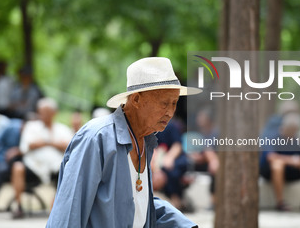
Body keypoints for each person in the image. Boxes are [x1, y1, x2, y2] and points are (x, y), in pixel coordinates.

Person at [47, 57, 200, 228]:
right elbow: (69, 211)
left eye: (174, 103)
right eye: (164, 103)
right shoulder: (97, 138)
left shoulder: (146, 141)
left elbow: (137, 205)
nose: (170, 112)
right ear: (135, 100)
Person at [11, 98, 73, 218]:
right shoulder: (31, 126)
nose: (43, 115)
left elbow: (69, 147)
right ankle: (18, 207)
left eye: (47, 112)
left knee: (70, 170)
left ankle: (58, 210)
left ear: (54, 113)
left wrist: (45, 142)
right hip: (34, 167)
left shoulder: (62, 129)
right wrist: (53, 143)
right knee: (17, 167)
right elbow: (29, 145)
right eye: (41, 112)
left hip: (56, 167)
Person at [260, 113, 300, 211]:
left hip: (290, 172)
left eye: (294, 131)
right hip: (270, 172)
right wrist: (291, 160)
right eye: (290, 131)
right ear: (284, 128)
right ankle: (280, 202)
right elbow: (271, 156)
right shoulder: (272, 137)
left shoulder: (294, 140)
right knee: (277, 165)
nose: (292, 134)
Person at [152, 120, 188, 210]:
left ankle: (176, 200)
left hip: (174, 159)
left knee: (172, 170)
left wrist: (169, 157)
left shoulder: (171, 126)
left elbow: (177, 145)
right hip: (157, 161)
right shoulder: (151, 127)